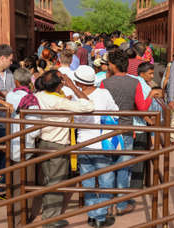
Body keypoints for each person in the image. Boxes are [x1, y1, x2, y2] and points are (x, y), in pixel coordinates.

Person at [35, 70, 94, 228]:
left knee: (50, 180)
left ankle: (50, 216)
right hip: (57, 144)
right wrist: (73, 87)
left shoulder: (40, 96)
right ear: (59, 84)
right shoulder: (58, 102)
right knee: (56, 182)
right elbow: (89, 105)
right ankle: (50, 220)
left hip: (44, 142)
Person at [74, 65, 118, 228]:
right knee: (106, 179)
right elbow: (115, 112)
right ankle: (101, 215)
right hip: (102, 142)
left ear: (79, 82)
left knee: (88, 182)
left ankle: (92, 214)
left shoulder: (74, 96)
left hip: (83, 143)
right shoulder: (104, 93)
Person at [100, 49, 138, 215]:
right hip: (127, 129)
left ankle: (108, 205)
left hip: (108, 130)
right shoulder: (135, 82)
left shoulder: (105, 84)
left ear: (113, 65)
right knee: (123, 168)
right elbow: (142, 106)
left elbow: (101, 104)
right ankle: (121, 204)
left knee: (107, 167)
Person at [6, 68, 40, 162]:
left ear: (16, 81)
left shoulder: (9, 96)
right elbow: (35, 128)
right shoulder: (32, 98)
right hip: (27, 144)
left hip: (11, 141)